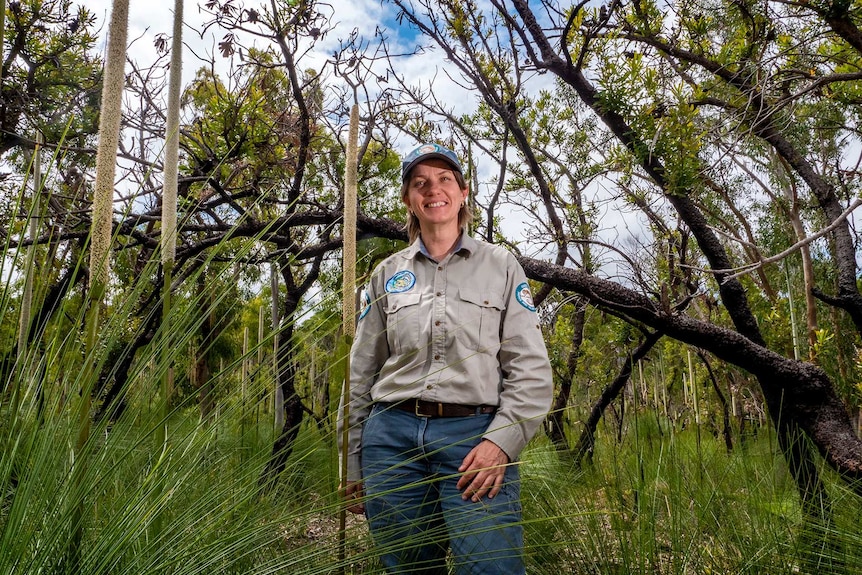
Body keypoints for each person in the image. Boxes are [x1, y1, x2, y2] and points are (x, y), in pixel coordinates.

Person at [338, 142, 553, 574]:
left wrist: (501, 443)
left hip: (474, 440)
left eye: (443, 180)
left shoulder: (501, 265)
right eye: (420, 183)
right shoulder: (386, 274)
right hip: (391, 441)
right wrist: (352, 461)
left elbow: (530, 370)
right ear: (408, 200)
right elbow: (361, 371)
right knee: (409, 568)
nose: (432, 190)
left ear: (463, 192)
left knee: (490, 566)